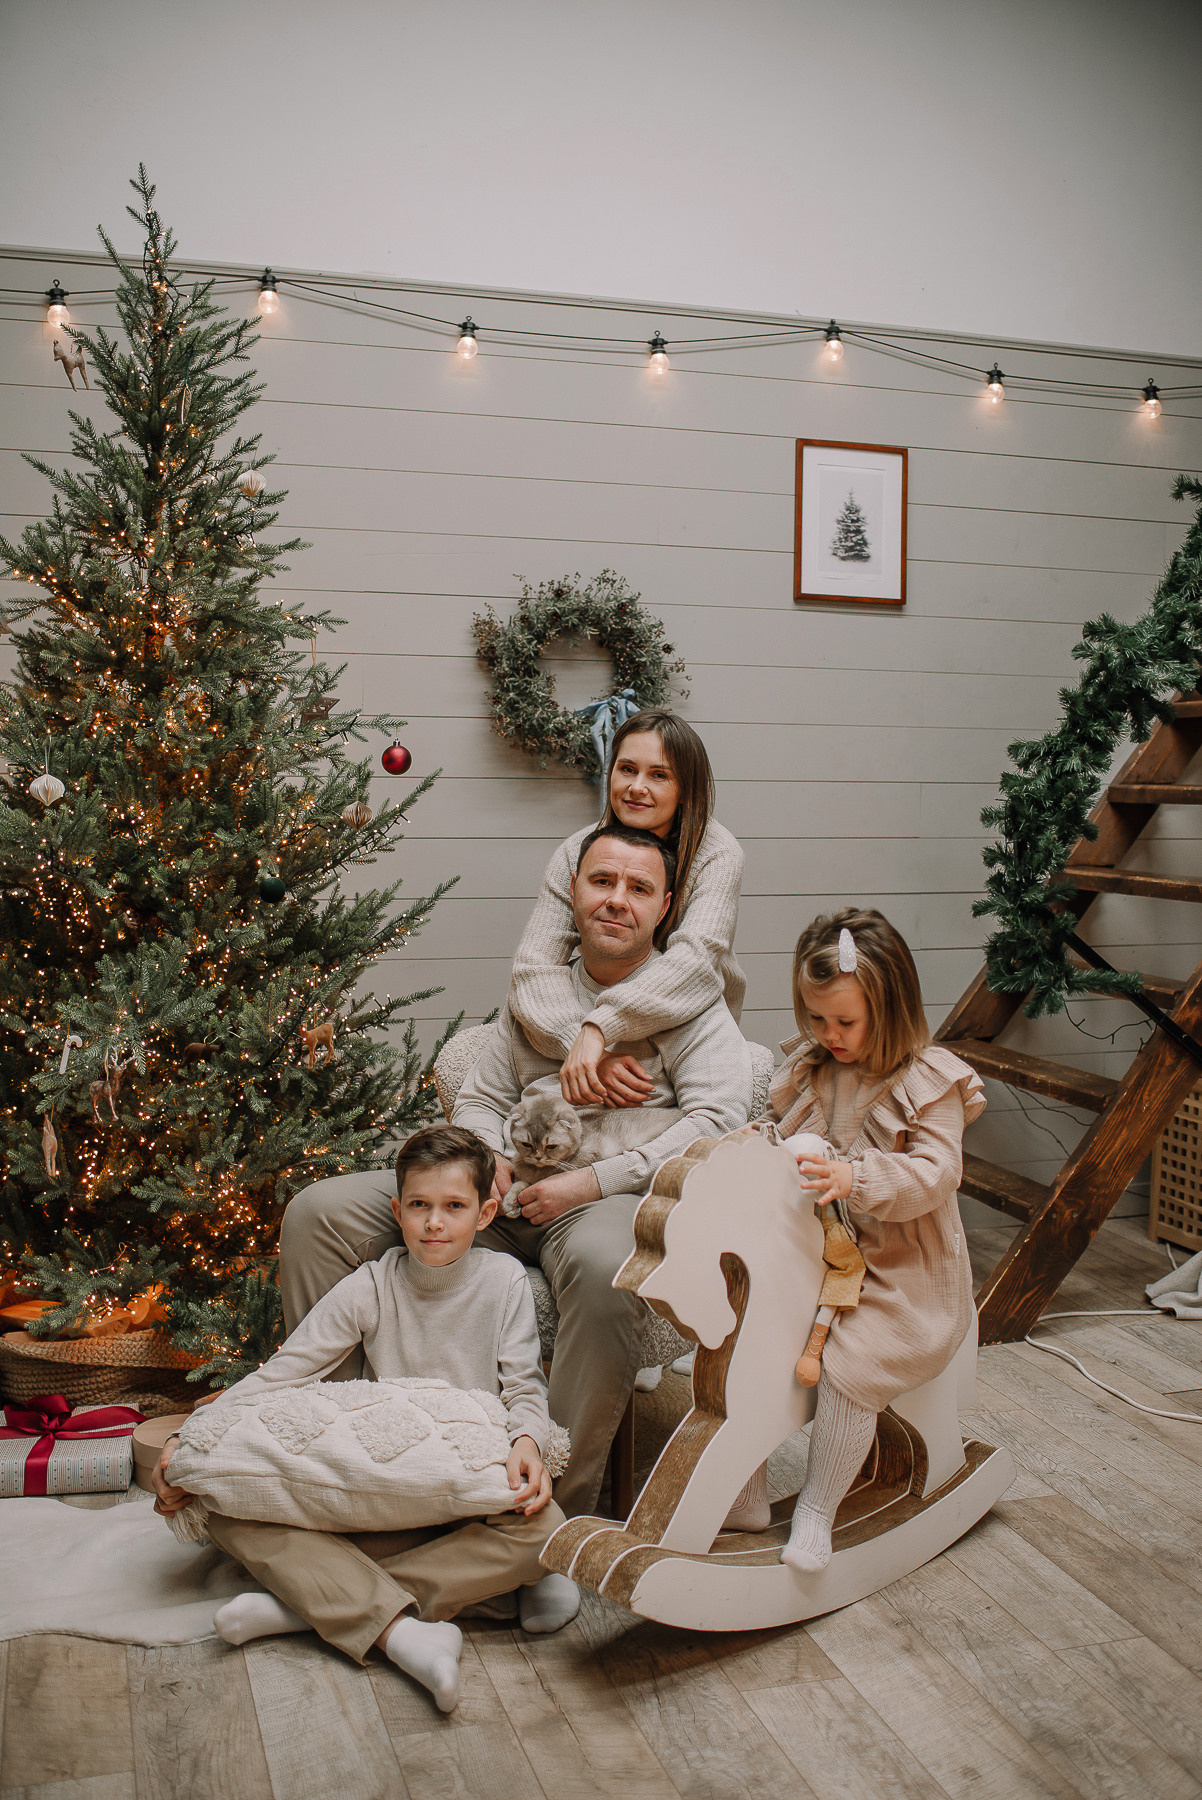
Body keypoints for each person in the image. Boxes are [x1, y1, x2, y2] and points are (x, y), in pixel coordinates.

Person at [279, 820, 755, 1521]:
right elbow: (481, 1097)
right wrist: (488, 1160)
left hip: (604, 1198)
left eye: (638, 888)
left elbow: (717, 1123)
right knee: (318, 1214)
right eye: (602, 881)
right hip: (499, 1192)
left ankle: (543, 1511)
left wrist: (592, 1182)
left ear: (666, 906)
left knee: (605, 1270)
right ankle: (349, 1447)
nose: (617, 899)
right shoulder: (540, 994)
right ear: (574, 891)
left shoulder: (690, 1003)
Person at [151, 1125, 572, 1714]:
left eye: (453, 1207)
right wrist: (188, 1438)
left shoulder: (502, 1282)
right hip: (385, 1487)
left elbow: (525, 1384)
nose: (434, 1223)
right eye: (420, 1206)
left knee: (546, 1528)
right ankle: (411, 1624)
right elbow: (287, 1371)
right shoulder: (372, 1283)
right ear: (398, 1211)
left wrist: (527, 1436)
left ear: (484, 1213)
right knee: (218, 1504)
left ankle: (308, 1607)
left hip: (463, 1491)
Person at [766, 906, 985, 1574]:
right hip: (828, 1251)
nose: (829, 1035)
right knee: (753, 1335)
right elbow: (781, 1136)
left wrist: (851, 1175)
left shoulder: (928, 1080)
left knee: (852, 1367)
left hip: (907, 1273)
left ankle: (818, 1509)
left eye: (845, 1022)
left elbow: (935, 1174)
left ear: (889, 1010)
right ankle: (743, 1496)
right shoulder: (813, 1072)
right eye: (816, 1019)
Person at [509, 708, 746, 1110]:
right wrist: (580, 1039)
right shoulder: (576, 849)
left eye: (659, 775)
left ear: (686, 788)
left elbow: (694, 963)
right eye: (627, 769)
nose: (637, 787)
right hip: (589, 1024)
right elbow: (534, 966)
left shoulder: (717, 854)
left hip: (684, 1021)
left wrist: (600, 1027)